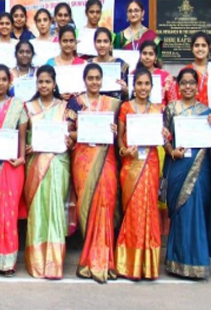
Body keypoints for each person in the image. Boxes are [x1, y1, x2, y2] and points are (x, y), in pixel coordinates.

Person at [163, 68, 211, 279]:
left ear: (197, 86)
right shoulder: (171, 108)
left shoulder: (206, 111)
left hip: (200, 169)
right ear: (178, 86)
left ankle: (197, 263)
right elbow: (164, 137)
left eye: (191, 83)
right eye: (184, 83)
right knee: (180, 212)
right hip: (178, 165)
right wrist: (171, 151)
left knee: (197, 212)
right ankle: (176, 262)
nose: (188, 87)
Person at [67, 63, 121, 283]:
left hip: (106, 158)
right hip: (83, 160)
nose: (94, 82)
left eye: (98, 78)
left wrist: (115, 131)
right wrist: (84, 131)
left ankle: (104, 260)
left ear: (102, 80)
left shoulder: (113, 103)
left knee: (105, 204)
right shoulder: (75, 102)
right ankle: (90, 259)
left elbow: (122, 135)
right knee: (87, 205)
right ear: (84, 80)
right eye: (90, 78)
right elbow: (68, 132)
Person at [116, 67, 167, 281]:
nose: (143, 88)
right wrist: (124, 151)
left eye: (147, 84)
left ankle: (147, 265)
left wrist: (165, 134)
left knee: (148, 209)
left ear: (152, 87)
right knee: (133, 209)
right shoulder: (125, 107)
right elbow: (119, 137)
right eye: (139, 84)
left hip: (151, 162)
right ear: (133, 85)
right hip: (131, 162)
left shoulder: (157, 110)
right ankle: (128, 264)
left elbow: (163, 138)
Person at [23, 65, 73, 279]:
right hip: (35, 164)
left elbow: (72, 134)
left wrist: (70, 141)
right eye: (40, 82)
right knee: (38, 210)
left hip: (58, 164)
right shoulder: (28, 107)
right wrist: (27, 146)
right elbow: (23, 136)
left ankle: (54, 264)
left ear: (54, 84)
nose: (44, 85)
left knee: (55, 208)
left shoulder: (65, 107)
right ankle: (36, 262)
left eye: (48, 82)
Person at [0, 65, 27, 276]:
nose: (0, 83)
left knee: (8, 213)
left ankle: (8, 262)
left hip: (11, 165)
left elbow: (22, 136)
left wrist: (21, 158)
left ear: (10, 82)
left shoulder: (17, 105)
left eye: (4, 79)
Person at [178, 32, 211, 129]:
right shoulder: (185, 71)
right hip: (190, 124)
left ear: (208, 48)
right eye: (197, 45)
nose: (200, 49)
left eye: (203, 45)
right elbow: (179, 97)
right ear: (192, 48)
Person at [90, 27, 129, 101]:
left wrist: (126, 90)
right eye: (99, 41)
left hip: (116, 105)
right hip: (93, 105)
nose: (102, 45)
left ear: (111, 44)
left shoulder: (121, 65)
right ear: (94, 44)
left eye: (105, 41)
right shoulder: (88, 65)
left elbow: (129, 95)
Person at [137, 40, 178, 106]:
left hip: (161, 111)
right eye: (144, 53)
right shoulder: (133, 74)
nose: (147, 57)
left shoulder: (166, 76)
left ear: (156, 57)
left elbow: (173, 102)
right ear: (140, 56)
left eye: (151, 54)